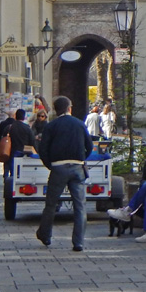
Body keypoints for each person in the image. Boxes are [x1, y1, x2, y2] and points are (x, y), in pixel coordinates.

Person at [36, 96, 93, 251]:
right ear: (69, 108)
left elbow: (43, 149)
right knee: (80, 206)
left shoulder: (51, 126)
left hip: (58, 167)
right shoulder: (80, 124)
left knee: (51, 204)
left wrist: (50, 165)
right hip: (77, 167)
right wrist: (81, 158)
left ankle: (45, 235)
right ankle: (78, 242)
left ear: (55, 110)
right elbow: (89, 146)